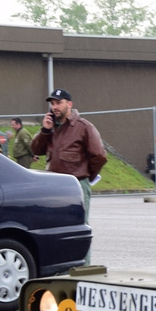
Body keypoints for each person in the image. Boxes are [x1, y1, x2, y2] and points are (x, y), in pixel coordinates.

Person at [31, 88, 108, 225]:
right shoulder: (51, 127)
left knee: (78, 226)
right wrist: (45, 130)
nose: (55, 107)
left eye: (59, 103)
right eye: (52, 104)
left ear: (69, 104)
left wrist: (86, 176)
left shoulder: (84, 127)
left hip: (76, 185)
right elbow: (36, 149)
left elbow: (99, 156)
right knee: (55, 226)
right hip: (54, 186)